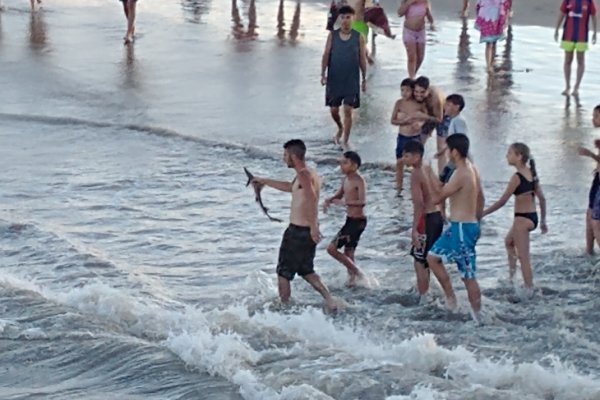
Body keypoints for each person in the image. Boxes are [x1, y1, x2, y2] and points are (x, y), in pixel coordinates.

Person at [251, 139, 337, 311]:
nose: (283, 158)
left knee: (283, 272)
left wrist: (314, 227)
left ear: (293, 155)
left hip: (298, 231)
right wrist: (264, 181)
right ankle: (330, 300)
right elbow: (291, 187)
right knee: (306, 271)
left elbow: (311, 198)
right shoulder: (306, 174)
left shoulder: (304, 174)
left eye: (285, 155)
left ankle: (285, 307)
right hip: (305, 231)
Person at [426, 134, 485, 320]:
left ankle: (478, 316)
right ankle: (451, 299)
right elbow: (481, 197)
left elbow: (437, 197)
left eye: (448, 149)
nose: (446, 153)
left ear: (455, 152)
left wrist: (428, 173)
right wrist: (478, 219)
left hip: (462, 227)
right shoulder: (472, 169)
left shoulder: (461, 173)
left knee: (468, 274)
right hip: (464, 225)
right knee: (433, 257)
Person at [482, 143, 548, 292]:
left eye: (510, 153)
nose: (507, 156)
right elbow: (542, 199)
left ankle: (529, 289)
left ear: (519, 157)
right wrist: (543, 222)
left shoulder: (516, 177)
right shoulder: (532, 173)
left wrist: (483, 213)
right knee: (509, 242)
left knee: (524, 257)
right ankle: (512, 279)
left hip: (521, 220)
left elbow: (502, 201)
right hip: (532, 217)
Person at [321, 5, 368, 149]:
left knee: (348, 110)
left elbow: (362, 58)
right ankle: (340, 127)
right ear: (339, 19)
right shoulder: (332, 35)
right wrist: (323, 74)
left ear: (353, 18)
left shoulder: (358, 37)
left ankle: (346, 140)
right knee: (334, 110)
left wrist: (364, 79)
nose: (345, 20)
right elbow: (326, 54)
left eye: (348, 17)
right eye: (343, 17)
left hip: (351, 80)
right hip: (334, 78)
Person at [402, 141, 444, 300]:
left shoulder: (416, 173)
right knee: (430, 259)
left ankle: (424, 297)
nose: (403, 159)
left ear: (417, 156)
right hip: (437, 217)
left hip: (426, 219)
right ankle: (438, 293)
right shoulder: (428, 167)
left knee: (419, 260)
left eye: (407, 156)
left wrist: (414, 229)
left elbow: (418, 204)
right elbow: (440, 189)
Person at [323, 151, 367, 287]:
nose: (341, 166)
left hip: (358, 221)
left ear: (354, 165)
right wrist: (329, 200)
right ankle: (352, 279)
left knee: (331, 249)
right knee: (349, 252)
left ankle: (358, 273)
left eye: (345, 163)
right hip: (350, 219)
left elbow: (362, 201)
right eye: (341, 163)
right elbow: (340, 194)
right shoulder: (346, 179)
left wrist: (344, 203)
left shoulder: (359, 181)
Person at [390, 78, 427, 194]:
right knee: (400, 162)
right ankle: (399, 187)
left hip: (415, 137)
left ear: (412, 91)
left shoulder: (419, 104)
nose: (404, 93)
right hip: (402, 136)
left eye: (407, 90)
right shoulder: (399, 103)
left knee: (417, 164)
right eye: (402, 90)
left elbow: (426, 118)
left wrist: (420, 124)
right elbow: (392, 120)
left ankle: (420, 186)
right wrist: (404, 122)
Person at [554, 0, 597, 96]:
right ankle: (567, 86)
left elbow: (594, 16)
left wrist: (595, 32)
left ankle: (576, 87)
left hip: (582, 36)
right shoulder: (568, 1)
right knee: (567, 61)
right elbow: (562, 14)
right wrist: (557, 29)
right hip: (568, 35)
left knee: (580, 61)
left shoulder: (589, 2)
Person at [577, 105, 600, 254]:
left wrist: (590, 155)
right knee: (589, 216)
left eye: (596, 116)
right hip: (597, 179)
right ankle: (589, 251)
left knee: (596, 222)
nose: (593, 119)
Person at [410, 76, 446, 165]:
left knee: (440, 148)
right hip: (428, 115)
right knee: (418, 144)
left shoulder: (435, 98)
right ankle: (416, 167)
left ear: (428, 90)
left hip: (442, 115)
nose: (418, 95)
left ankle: (442, 176)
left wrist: (424, 118)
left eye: (422, 92)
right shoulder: (413, 94)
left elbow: (439, 119)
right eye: (416, 92)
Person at [397, 0, 434, 79]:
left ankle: (413, 74)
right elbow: (399, 13)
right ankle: (412, 78)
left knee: (420, 57)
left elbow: (429, 14)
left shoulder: (425, 2)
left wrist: (432, 23)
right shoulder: (406, 1)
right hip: (409, 31)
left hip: (421, 31)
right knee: (412, 57)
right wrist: (409, 3)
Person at [475, 0, 512, 73]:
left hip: (496, 17)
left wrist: (506, 18)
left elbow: (506, 4)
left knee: (493, 42)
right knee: (489, 43)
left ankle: (491, 63)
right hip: (487, 17)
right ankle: (489, 65)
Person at [435, 94, 468, 174]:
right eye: (445, 104)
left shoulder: (459, 121)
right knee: (444, 177)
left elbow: (461, 140)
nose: (445, 107)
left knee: (446, 177)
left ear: (457, 107)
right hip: (453, 156)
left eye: (448, 105)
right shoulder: (453, 120)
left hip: (458, 157)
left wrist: (446, 150)